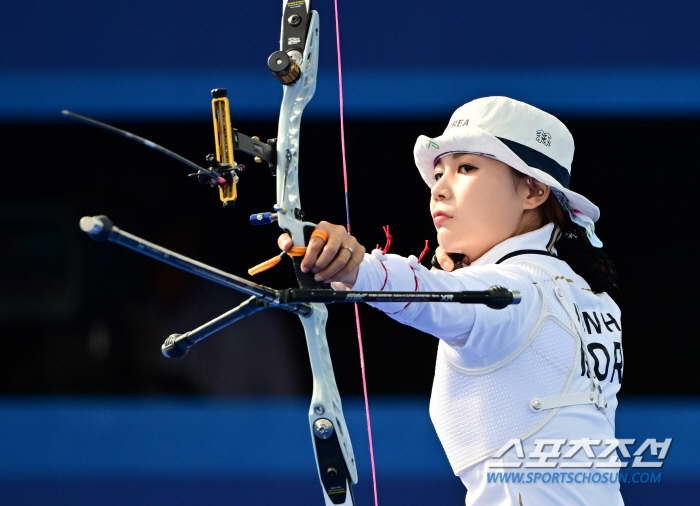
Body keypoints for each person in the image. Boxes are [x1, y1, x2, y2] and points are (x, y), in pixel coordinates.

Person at [278, 96, 623, 505]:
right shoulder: (587, 296)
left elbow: (437, 297)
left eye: (466, 168)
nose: (439, 188)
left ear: (532, 189)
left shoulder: (516, 294)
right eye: (438, 172)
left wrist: (357, 269)